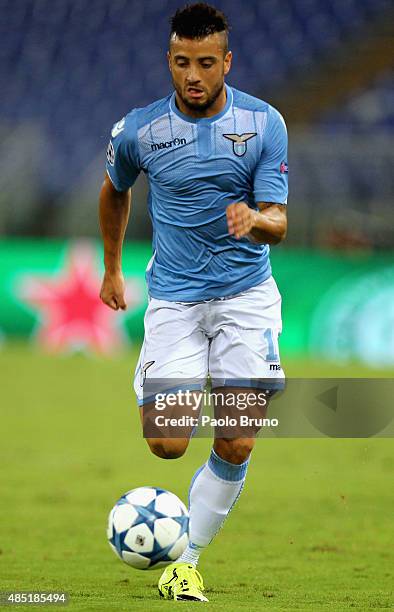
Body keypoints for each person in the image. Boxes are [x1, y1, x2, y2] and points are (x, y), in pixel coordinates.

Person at [99, 2, 288, 602]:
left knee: (236, 440)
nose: (194, 75)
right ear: (169, 62)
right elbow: (114, 193)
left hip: (246, 298)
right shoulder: (139, 130)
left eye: (207, 62)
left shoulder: (264, 124)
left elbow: (279, 224)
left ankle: (189, 562)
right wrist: (111, 269)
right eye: (182, 63)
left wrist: (254, 218)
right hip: (175, 302)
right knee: (167, 442)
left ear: (227, 61)